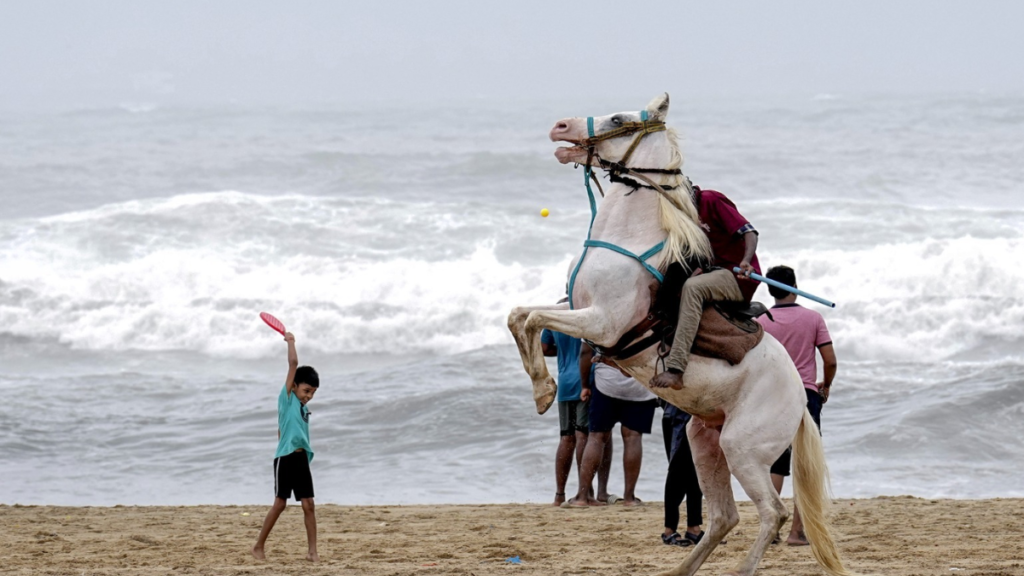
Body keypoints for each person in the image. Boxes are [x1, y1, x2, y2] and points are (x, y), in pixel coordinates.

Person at [756, 265, 837, 546]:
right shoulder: (813, 318)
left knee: (776, 462)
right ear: (795, 285)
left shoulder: (762, 321)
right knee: (805, 463)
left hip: (773, 394)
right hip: (805, 394)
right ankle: (797, 533)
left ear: (769, 289)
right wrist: (825, 385)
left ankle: (771, 530)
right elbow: (830, 360)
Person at [651, 185, 761, 390]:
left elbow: (750, 232)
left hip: (737, 276)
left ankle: (676, 369)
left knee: (693, 287)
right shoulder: (683, 213)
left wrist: (747, 261)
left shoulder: (711, 200)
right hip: (714, 272)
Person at [252, 332, 321, 562]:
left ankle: (312, 552)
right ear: (294, 386)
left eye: (312, 392)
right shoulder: (288, 396)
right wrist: (290, 341)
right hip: (286, 458)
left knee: (309, 505)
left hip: (301, 459)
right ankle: (258, 546)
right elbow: (293, 363)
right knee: (280, 503)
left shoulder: (302, 408)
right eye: (306, 390)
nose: (309, 396)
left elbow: (285, 429)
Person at [567, 344, 657, 507]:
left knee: (596, 437)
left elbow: (586, 351)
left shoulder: (598, 317)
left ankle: (581, 497)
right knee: (633, 437)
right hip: (640, 383)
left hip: (606, 383)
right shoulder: (650, 317)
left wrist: (585, 385)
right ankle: (629, 498)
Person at [541, 323, 589, 506]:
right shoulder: (583, 309)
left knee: (566, 437)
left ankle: (559, 495)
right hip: (585, 380)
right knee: (583, 435)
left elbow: (544, 347)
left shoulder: (555, 315)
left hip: (565, 383)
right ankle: (584, 493)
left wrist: (562, 350)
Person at [660, 402, 705, 547]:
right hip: (677, 416)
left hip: (697, 414)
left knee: (695, 472)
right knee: (677, 472)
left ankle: (694, 528)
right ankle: (669, 530)